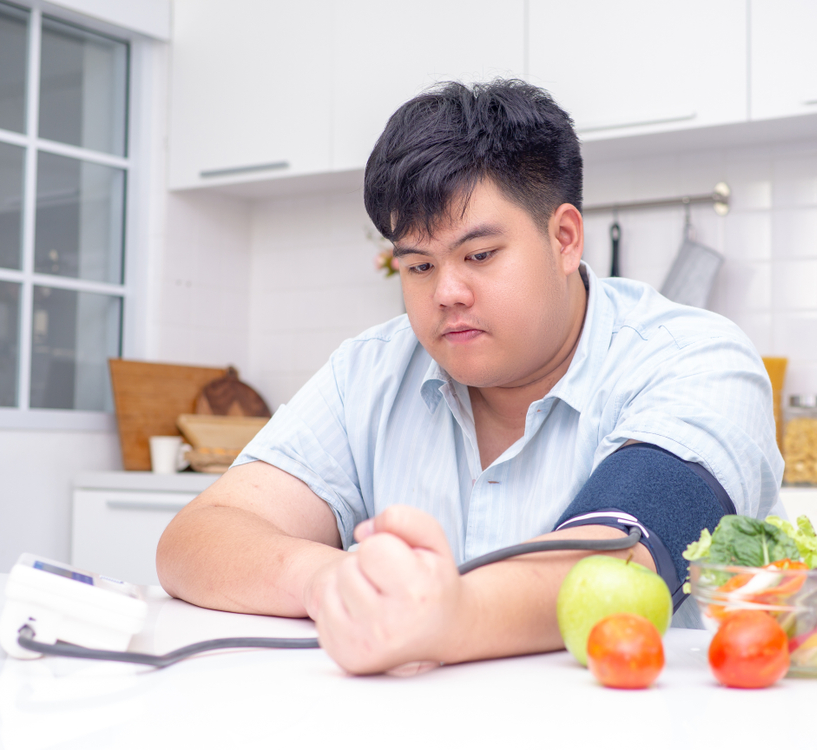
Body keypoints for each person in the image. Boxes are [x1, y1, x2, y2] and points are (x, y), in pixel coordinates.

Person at [156, 79, 783, 676]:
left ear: (565, 239)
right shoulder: (368, 373)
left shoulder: (696, 359)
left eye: (479, 255)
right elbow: (199, 537)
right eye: (419, 266)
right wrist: (326, 580)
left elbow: (616, 561)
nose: (447, 293)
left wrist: (449, 615)